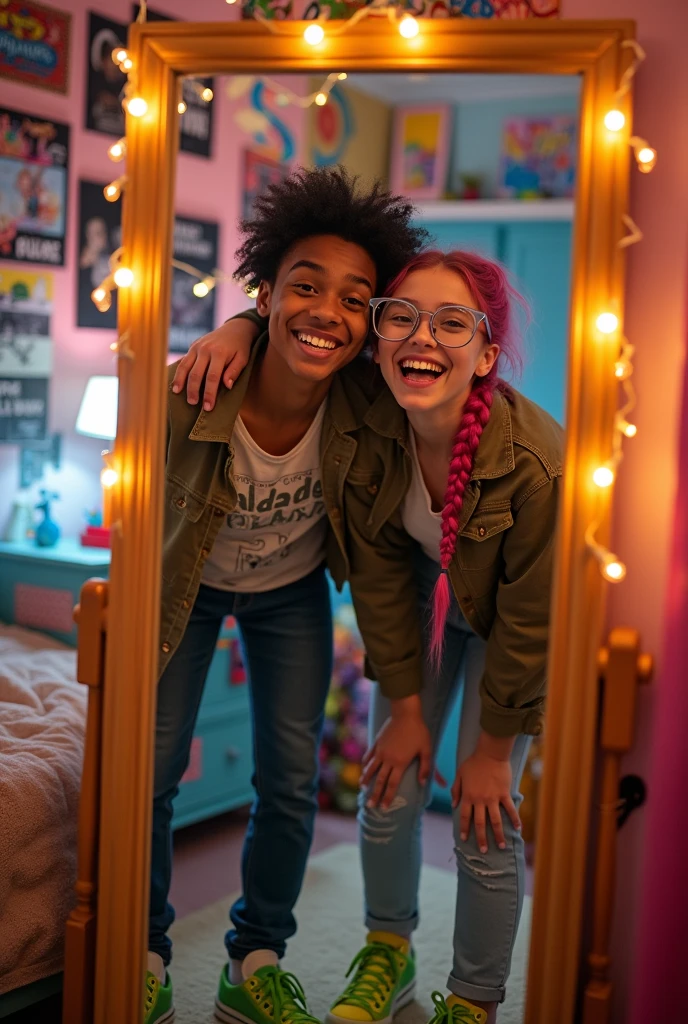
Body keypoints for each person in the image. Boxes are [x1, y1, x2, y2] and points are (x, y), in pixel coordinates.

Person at [175, 249, 562, 1024]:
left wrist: (488, 752)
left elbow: (533, 619)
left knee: (487, 816)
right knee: (389, 788)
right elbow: (383, 568)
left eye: (452, 323)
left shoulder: (534, 465)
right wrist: (237, 328)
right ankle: (390, 953)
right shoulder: (371, 413)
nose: (422, 337)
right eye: (403, 317)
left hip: (511, 622)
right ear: (380, 337)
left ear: (486, 354)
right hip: (421, 599)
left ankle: (475, 999)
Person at [145, 166, 429, 1024]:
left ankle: (255, 957)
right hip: (185, 593)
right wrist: (230, 328)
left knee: (290, 781)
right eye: (304, 287)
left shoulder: (367, 403)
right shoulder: (189, 387)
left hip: (289, 594)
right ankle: (146, 953)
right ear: (266, 292)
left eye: (355, 301)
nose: (328, 313)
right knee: (149, 771)